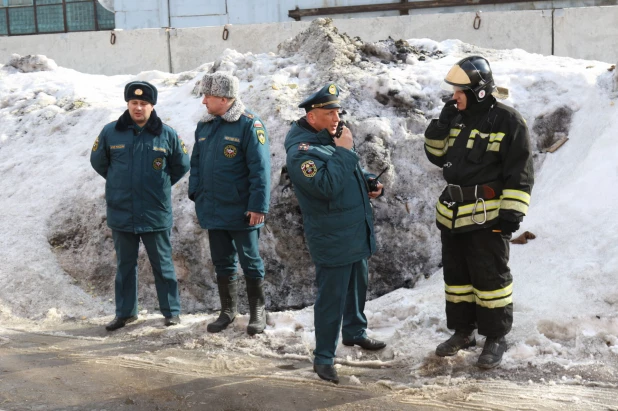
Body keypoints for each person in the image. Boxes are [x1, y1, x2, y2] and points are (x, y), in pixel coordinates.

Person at [424, 56, 534, 368]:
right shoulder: (456, 117)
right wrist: (441, 124)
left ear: (479, 91)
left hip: (487, 216)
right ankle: (463, 331)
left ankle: (495, 337)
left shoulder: (509, 121)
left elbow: (520, 172)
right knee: (457, 279)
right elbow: (435, 155)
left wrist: (512, 215)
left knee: (491, 279)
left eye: (459, 91)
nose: (453, 96)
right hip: (452, 215)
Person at [284, 83, 386, 384]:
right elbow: (325, 187)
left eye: (337, 111)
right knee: (332, 298)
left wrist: (367, 181)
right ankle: (324, 357)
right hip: (332, 236)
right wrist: (343, 151)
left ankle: (355, 332)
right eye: (329, 112)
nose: (336, 117)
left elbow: (345, 173)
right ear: (311, 115)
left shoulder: (328, 138)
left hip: (353, 230)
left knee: (357, 287)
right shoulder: (301, 152)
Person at [90, 81, 190, 331]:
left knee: (163, 264)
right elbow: (99, 162)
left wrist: (160, 186)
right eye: (134, 103)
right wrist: (119, 183)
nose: (138, 107)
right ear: (127, 104)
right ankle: (125, 313)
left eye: (143, 103)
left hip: (154, 211)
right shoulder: (110, 132)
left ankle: (171, 312)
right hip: (122, 210)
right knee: (125, 266)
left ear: (152, 105)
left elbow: (181, 165)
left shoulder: (167, 134)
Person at [188, 72, 271, 336]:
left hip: (241, 210)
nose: (204, 102)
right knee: (222, 261)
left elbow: (260, 169)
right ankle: (227, 311)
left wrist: (258, 206)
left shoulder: (249, 124)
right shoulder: (205, 125)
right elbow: (196, 164)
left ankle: (258, 312)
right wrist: (196, 193)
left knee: (249, 260)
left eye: (208, 97)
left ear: (224, 99)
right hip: (213, 208)